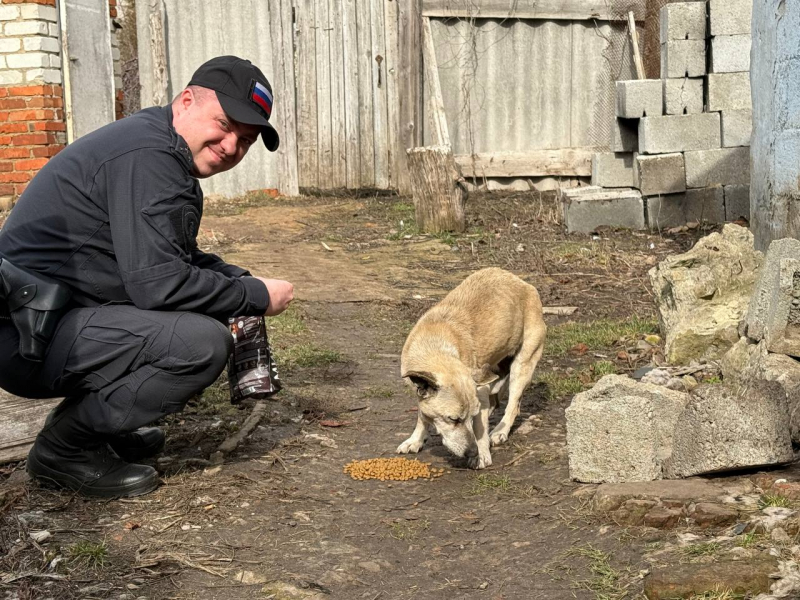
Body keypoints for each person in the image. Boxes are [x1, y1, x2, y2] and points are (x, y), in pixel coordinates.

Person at [0, 55, 294, 498]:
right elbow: (159, 285)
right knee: (200, 343)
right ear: (187, 101)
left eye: (246, 139)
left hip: (48, 320)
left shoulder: (155, 147)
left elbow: (176, 258)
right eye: (225, 123)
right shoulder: (149, 157)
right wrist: (251, 294)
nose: (232, 145)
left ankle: (100, 430)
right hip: (25, 336)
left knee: (199, 319)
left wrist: (238, 277)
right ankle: (64, 451)